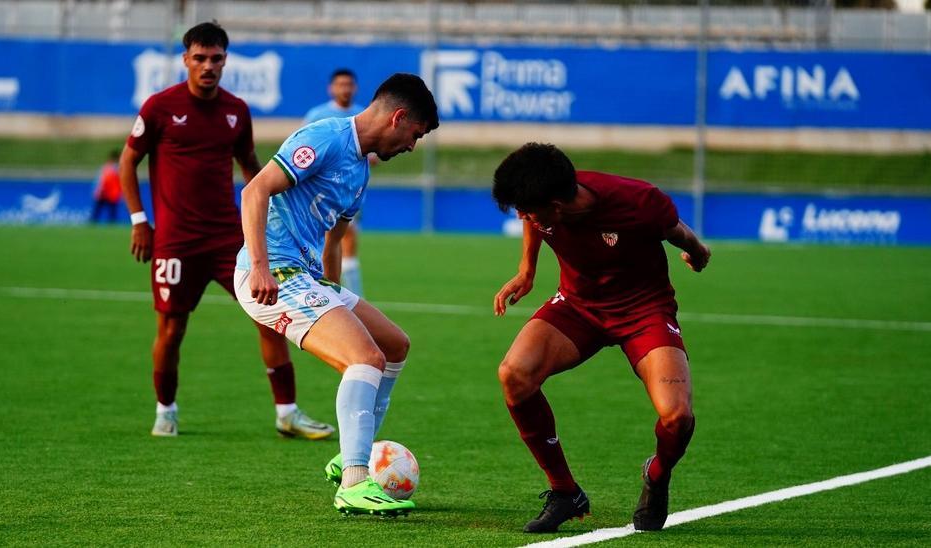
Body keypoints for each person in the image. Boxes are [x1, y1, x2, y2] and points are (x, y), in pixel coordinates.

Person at [119, 21, 333, 440]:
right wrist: (139, 221)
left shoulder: (236, 112)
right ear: (185, 60)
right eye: (199, 58)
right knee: (172, 328)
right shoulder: (160, 108)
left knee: (269, 317)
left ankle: (286, 412)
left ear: (225, 61)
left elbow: (252, 170)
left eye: (216, 58)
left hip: (227, 240)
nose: (208, 66)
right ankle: (166, 410)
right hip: (175, 242)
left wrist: (278, 213)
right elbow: (128, 162)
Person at [235, 73, 438, 516]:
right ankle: (355, 480)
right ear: (398, 117)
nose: (411, 146)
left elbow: (335, 238)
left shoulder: (360, 171)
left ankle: (349, 452)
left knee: (394, 345)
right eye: (415, 135)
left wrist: (334, 293)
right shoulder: (325, 137)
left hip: (307, 278)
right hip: (273, 275)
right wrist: (261, 267)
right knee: (365, 358)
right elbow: (255, 190)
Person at [490, 143, 710, 533]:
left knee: (677, 418)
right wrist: (527, 269)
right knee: (514, 374)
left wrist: (698, 251)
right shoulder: (544, 199)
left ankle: (656, 475)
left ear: (556, 205)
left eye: (527, 210)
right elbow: (533, 218)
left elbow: (675, 231)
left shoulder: (638, 202)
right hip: (578, 307)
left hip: (644, 311)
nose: (523, 216)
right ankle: (565, 493)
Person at [303, 68, 370, 297]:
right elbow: (303, 152)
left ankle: (351, 296)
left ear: (355, 88)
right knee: (324, 242)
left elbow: (374, 156)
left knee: (346, 240)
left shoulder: (363, 116)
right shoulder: (317, 116)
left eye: (349, 84)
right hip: (318, 196)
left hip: (350, 192)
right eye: (341, 84)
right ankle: (329, 292)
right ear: (331, 88)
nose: (345, 89)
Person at [90, 149, 122, 224]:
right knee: (100, 212)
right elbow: (101, 181)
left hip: (110, 194)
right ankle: (92, 224)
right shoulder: (112, 168)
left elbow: (100, 180)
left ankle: (93, 224)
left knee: (108, 213)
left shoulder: (108, 167)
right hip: (106, 193)